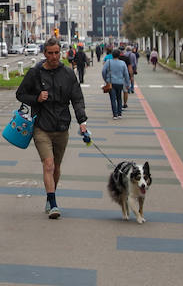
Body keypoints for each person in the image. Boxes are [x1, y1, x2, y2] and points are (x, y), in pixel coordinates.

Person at [15, 38, 90, 219]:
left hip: (62, 127)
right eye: (50, 53)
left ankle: (50, 197)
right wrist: (37, 98)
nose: (54, 56)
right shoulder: (35, 73)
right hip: (42, 127)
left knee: (56, 167)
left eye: (57, 53)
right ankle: (54, 202)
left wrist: (82, 121)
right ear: (44, 54)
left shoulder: (68, 74)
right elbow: (20, 94)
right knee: (48, 164)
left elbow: (77, 99)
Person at [102, 48, 132, 119]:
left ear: (112, 55)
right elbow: (126, 74)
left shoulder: (108, 62)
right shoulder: (122, 63)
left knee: (113, 99)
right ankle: (120, 114)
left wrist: (106, 80)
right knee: (119, 98)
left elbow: (103, 71)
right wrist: (128, 84)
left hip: (111, 82)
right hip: (120, 83)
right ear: (119, 55)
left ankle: (115, 114)